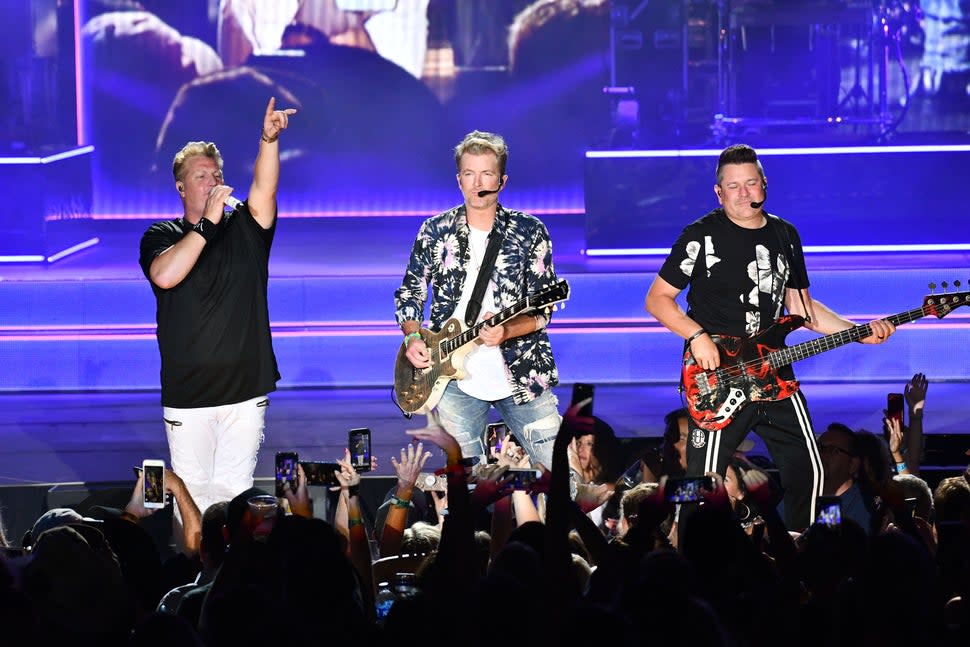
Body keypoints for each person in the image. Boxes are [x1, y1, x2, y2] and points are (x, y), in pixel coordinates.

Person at [644, 144, 895, 531]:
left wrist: (859, 333)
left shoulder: (785, 234)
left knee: (808, 471)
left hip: (772, 373)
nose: (743, 193)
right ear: (718, 192)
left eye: (750, 183)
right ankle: (691, 556)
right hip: (719, 377)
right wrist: (697, 336)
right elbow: (658, 300)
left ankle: (802, 551)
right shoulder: (700, 235)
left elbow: (804, 311)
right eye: (733, 186)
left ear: (764, 184)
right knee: (701, 484)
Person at [139, 97, 296, 516]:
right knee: (189, 500)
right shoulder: (161, 235)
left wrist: (268, 140)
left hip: (244, 392)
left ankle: (229, 578)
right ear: (181, 186)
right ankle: (192, 575)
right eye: (200, 175)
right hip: (189, 395)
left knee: (234, 498)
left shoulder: (246, 226)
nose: (212, 181)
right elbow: (167, 275)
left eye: (217, 174)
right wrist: (206, 224)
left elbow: (266, 188)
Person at [395, 130, 562, 469]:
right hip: (452, 376)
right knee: (466, 488)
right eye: (469, 174)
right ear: (459, 180)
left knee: (560, 477)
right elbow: (411, 291)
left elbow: (544, 311)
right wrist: (413, 335)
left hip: (522, 370)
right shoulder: (435, 230)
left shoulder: (530, 231)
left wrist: (506, 331)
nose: (477, 182)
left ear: (502, 180)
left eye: (486, 173)